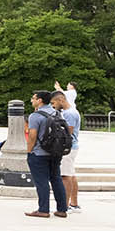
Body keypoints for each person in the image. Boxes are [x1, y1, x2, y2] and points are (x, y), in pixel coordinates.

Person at [22, 89, 71, 219]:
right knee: (56, 178)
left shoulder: (35, 116)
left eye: (33, 98)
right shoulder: (58, 113)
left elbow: (32, 135)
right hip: (56, 152)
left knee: (42, 181)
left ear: (40, 100)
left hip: (39, 152)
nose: (31, 100)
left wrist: (29, 151)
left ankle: (43, 209)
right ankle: (62, 209)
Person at [54, 89, 82, 211]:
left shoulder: (69, 114)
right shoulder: (70, 112)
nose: (53, 106)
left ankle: (64, 206)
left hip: (68, 147)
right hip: (72, 147)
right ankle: (74, 203)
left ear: (61, 100)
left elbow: (67, 131)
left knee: (65, 176)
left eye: (53, 103)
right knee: (71, 174)